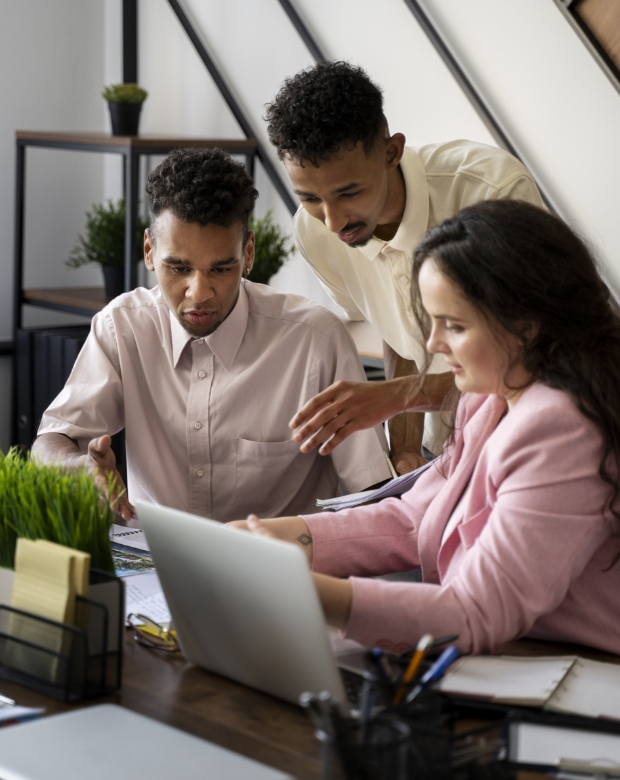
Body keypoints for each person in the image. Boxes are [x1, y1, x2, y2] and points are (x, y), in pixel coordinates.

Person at [230, 200, 620, 655]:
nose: (433, 344)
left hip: (580, 672)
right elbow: (418, 518)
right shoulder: (491, 393)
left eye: (453, 326)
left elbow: (475, 611)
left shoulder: (560, 427)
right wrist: (286, 536)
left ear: (527, 327)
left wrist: (295, 589)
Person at [32, 148, 391, 523]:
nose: (198, 293)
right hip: (156, 565)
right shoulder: (122, 327)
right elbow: (52, 440)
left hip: (283, 568)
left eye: (220, 269)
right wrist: (78, 466)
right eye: (179, 268)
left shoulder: (316, 341)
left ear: (248, 254)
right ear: (149, 252)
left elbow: (371, 493)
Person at [265, 61, 544, 472]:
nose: (334, 220)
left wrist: (399, 395)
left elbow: (536, 355)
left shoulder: (490, 191)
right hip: (447, 447)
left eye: (349, 192)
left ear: (391, 153)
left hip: (539, 436)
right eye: (309, 197)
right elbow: (397, 331)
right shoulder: (315, 231)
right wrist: (404, 450)